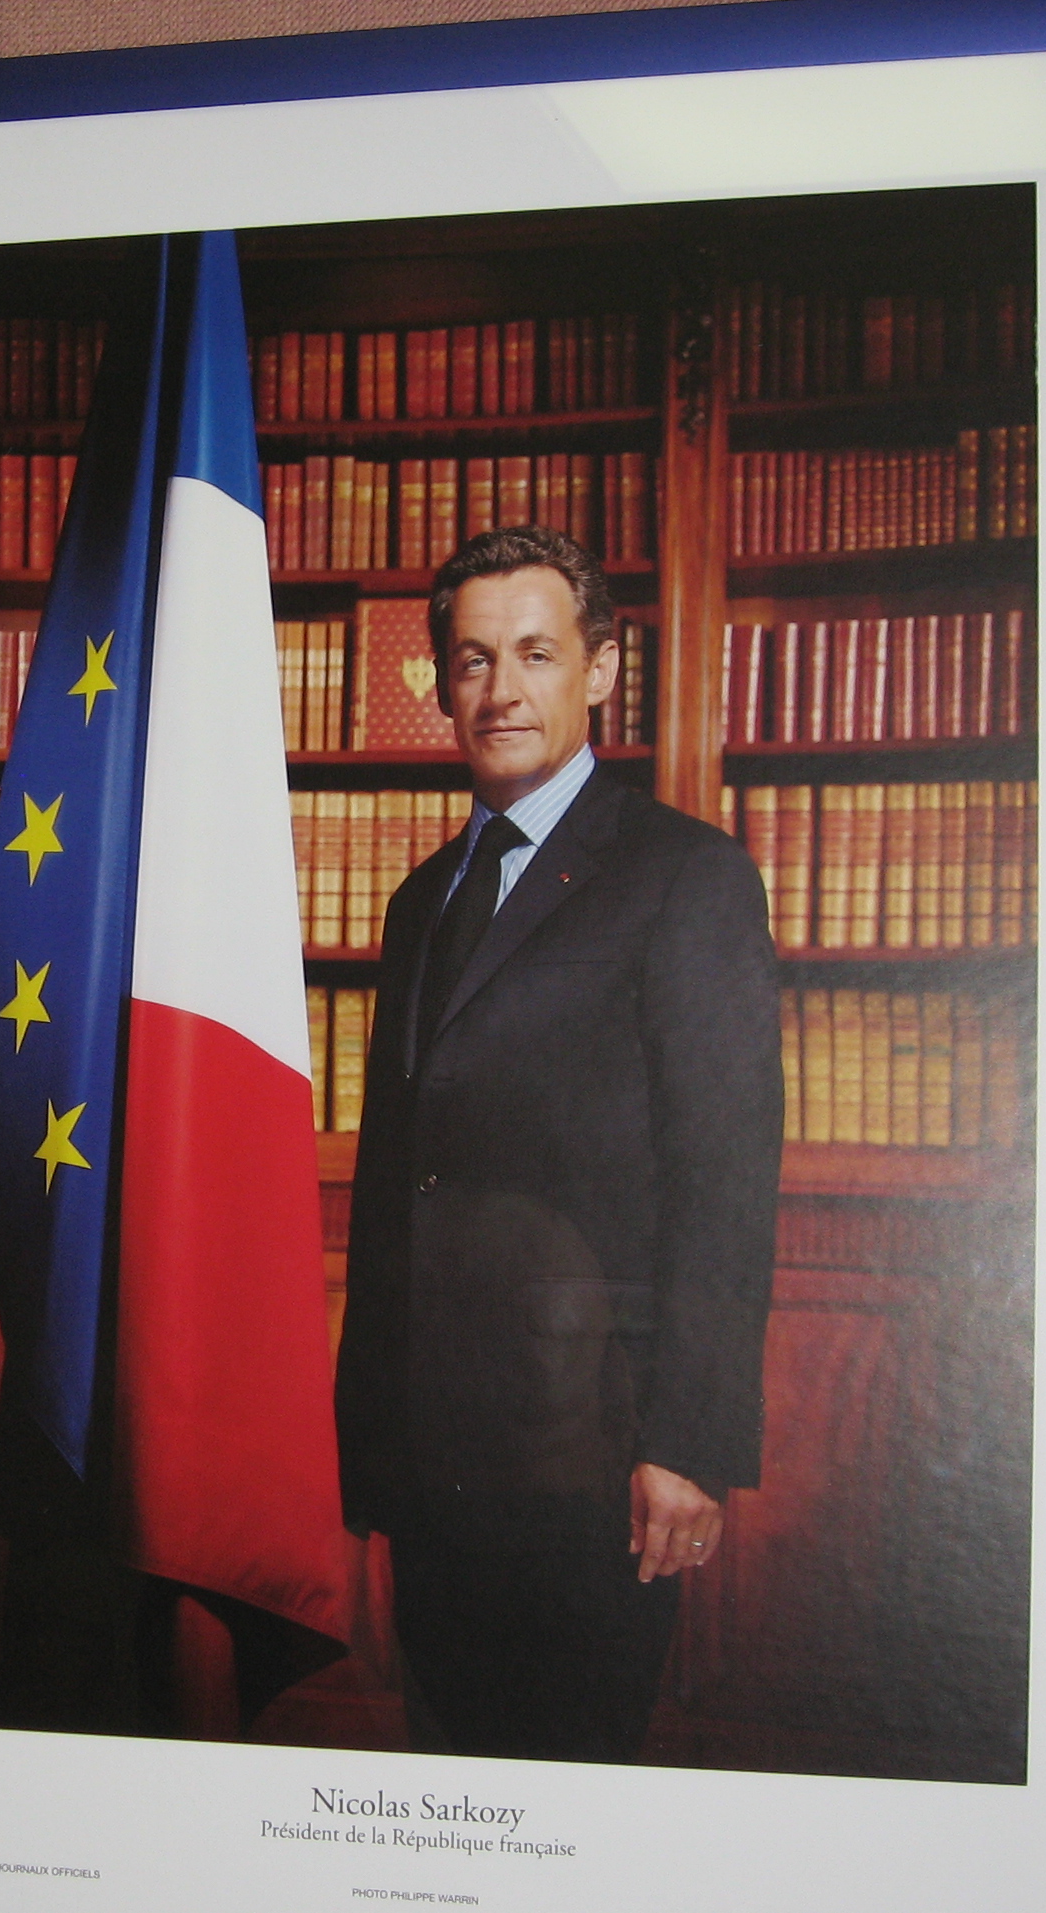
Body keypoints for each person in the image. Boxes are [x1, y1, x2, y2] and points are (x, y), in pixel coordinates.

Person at [333, 524, 783, 1764]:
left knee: (563, 1800)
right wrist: (364, 1445)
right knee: (446, 1788)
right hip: (431, 1458)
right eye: (472, 660)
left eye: (535, 654)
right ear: (442, 685)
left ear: (600, 671)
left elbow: (723, 1179)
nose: (501, 690)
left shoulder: (685, 879)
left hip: (595, 1455)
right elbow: (392, 1187)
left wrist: (688, 1443)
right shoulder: (420, 900)